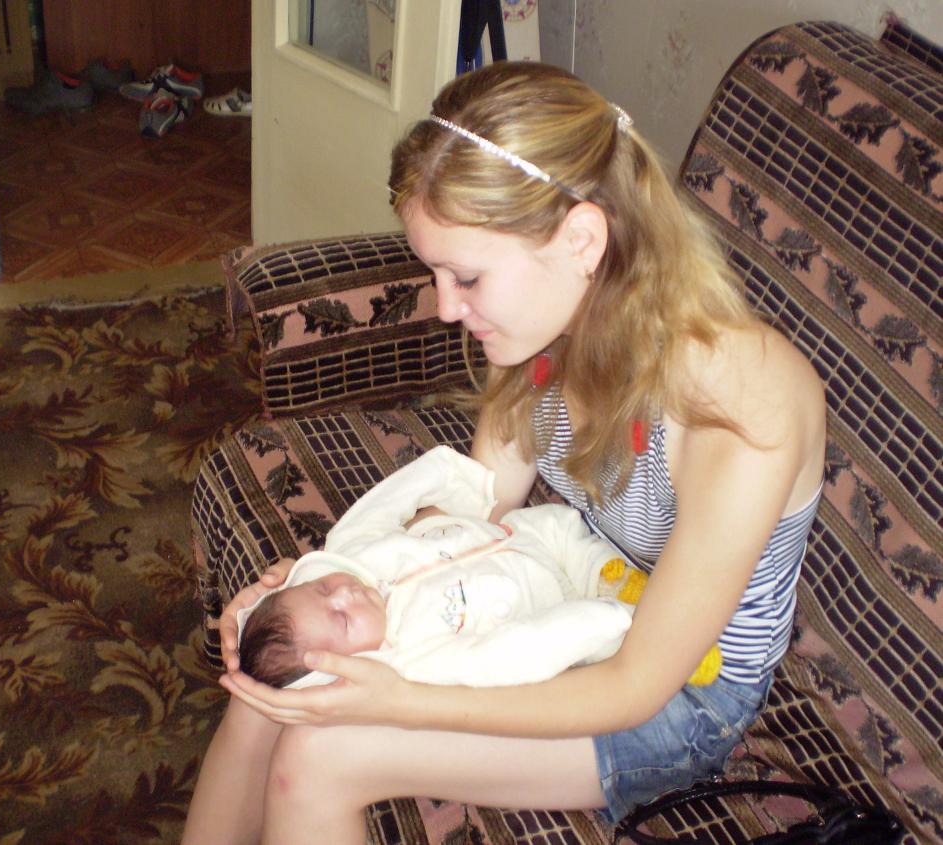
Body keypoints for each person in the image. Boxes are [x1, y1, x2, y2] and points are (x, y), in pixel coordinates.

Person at [183, 60, 825, 845]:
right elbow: (473, 507)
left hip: (682, 691)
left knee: (317, 758)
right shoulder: (544, 328)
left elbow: (634, 685)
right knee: (270, 690)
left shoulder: (739, 398)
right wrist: (313, 585)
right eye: (436, 275)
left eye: (466, 277)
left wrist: (402, 701)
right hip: (571, 597)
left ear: (581, 239)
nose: (447, 308)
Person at [237, 445, 721, 691]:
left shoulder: (351, 551)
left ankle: (612, 574)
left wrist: (460, 480)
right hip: (554, 600)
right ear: (349, 668)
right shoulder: (418, 661)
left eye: (322, 589)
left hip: (524, 533)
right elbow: (512, 651)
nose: (346, 593)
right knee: (586, 642)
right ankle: (643, 624)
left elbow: (391, 499)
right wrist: (612, 621)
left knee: (561, 528)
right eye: (342, 619)